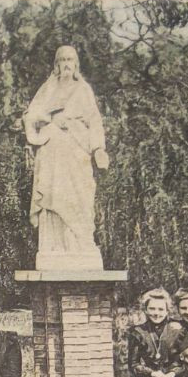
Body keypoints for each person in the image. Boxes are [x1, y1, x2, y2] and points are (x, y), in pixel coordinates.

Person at [21, 44, 109, 270]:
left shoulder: (83, 90)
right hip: (52, 154)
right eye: (63, 60)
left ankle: (81, 244)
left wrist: (99, 148)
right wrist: (50, 119)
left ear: (76, 64)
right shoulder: (48, 88)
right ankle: (54, 246)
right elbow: (31, 115)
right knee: (53, 194)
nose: (67, 64)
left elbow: (95, 120)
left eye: (71, 60)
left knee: (80, 196)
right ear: (56, 64)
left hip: (77, 152)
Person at [125, 288, 181, 377]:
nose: (156, 313)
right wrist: (151, 373)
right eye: (152, 309)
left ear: (168, 310)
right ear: (145, 310)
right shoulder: (137, 332)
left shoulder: (177, 329)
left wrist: (172, 374)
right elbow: (133, 364)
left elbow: (182, 360)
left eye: (161, 309)